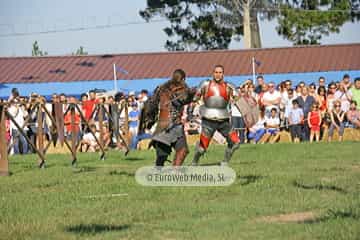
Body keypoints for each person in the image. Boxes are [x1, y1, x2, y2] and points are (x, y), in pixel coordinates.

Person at [140, 69, 196, 166]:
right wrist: (191, 94)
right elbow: (184, 100)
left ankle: (164, 172)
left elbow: (151, 105)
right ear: (183, 78)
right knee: (181, 150)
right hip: (173, 125)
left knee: (163, 155)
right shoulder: (179, 88)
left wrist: (150, 120)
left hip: (162, 125)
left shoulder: (162, 88)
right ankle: (171, 173)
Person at [191, 65, 240, 166]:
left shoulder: (229, 86)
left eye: (220, 72)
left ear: (223, 74)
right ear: (213, 73)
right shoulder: (205, 84)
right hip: (208, 119)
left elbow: (239, 98)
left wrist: (236, 98)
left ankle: (225, 162)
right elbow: (195, 98)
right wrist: (196, 101)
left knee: (236, 142)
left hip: (224, 120)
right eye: (216, 72)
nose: (218, 74)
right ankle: (194, 162)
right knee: (201, 149)